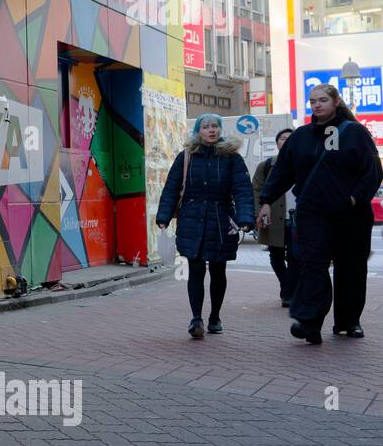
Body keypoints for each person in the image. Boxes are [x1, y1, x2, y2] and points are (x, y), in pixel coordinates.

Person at [259, 84, 383, 345]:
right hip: (312, 212)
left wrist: (353, 197)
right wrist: (267, 200)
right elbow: (282, 171)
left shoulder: (355, 132)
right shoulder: (301, 136)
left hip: (351, 213)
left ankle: (349, 322)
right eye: (313, 101)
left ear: (336, 101)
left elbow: (372, 170)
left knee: (350, 267)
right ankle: (309, 322)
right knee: (313, 264)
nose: (317, 105)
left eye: (323, 100)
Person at [156, 114, 255, 338]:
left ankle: (215, 316)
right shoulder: (186, 157)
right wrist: (163, 216)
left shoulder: (232, 158)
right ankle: (196, 317)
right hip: (191, 219)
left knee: (219, 270)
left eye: (215, 126)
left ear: (220, 130)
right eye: (206, 127)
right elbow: (171, 188)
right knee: (196, 269)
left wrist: (246, 219)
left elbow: (242, 190)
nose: (211, 130)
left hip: (221, 220)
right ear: (198, 131)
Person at [251, 128, 298, 306]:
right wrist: (259, 211)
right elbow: (256, 189)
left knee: (295, 256)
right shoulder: (267, 165)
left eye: (290, 138)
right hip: (273, 217)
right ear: (277, 143)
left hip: (297, 219)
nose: (285, 141)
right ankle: (286, 286)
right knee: (276, 255)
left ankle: (289, 292)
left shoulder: (304, 163)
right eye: (282, 138)